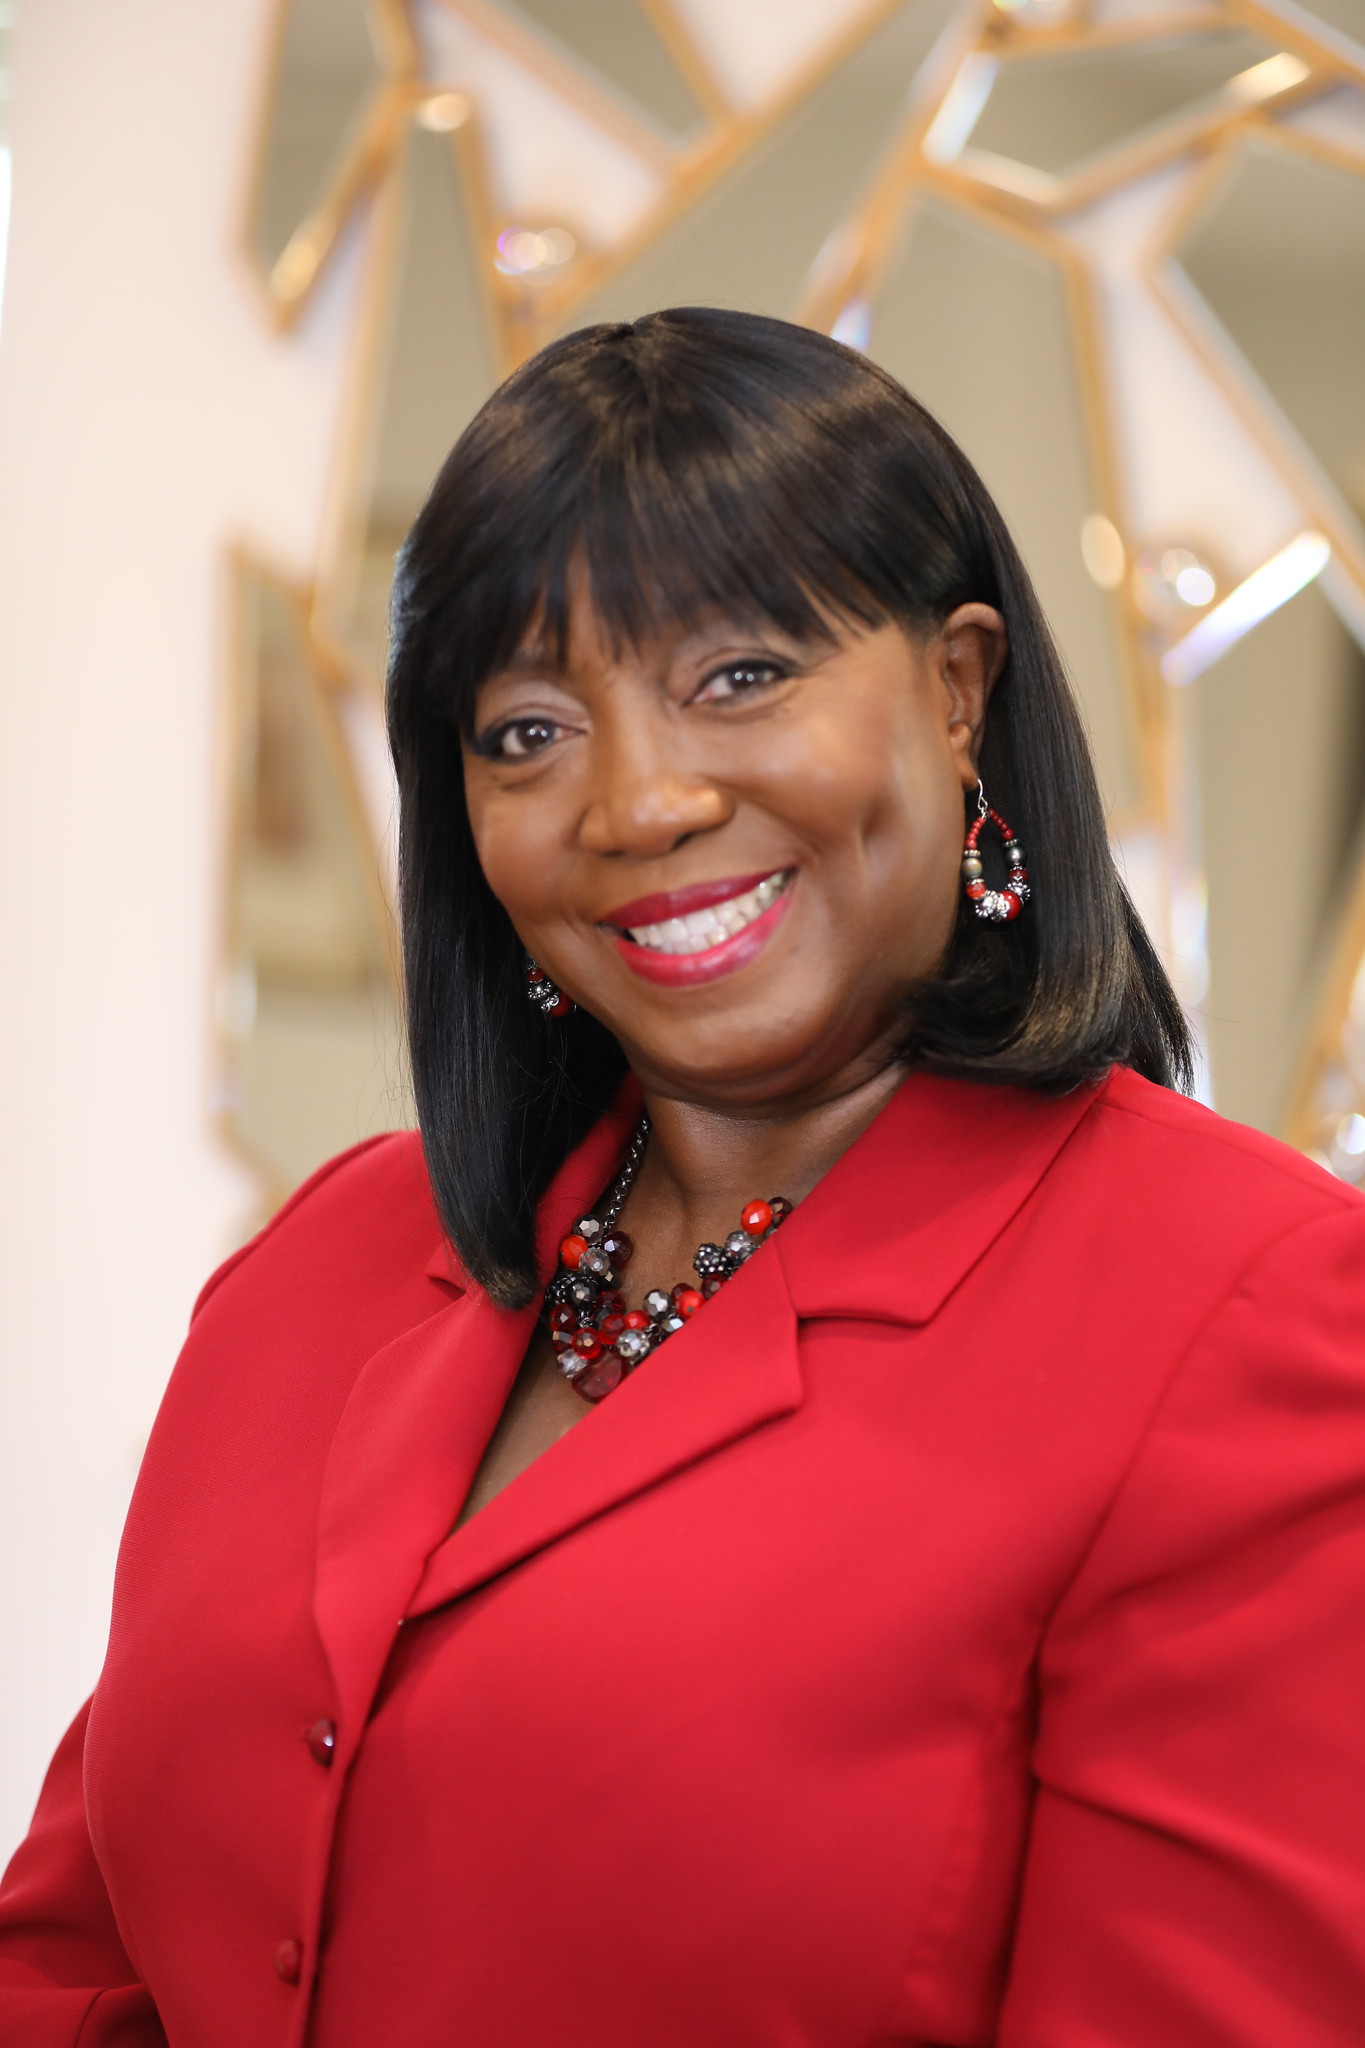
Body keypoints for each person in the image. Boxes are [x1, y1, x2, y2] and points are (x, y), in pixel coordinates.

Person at [2, 307, 1363, 2048]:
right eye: (525, 731)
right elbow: (69, 1952)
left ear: (958, 690)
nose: (636, 804)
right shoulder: (333, 1257)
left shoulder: (1252, 1314)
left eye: (739, 677)